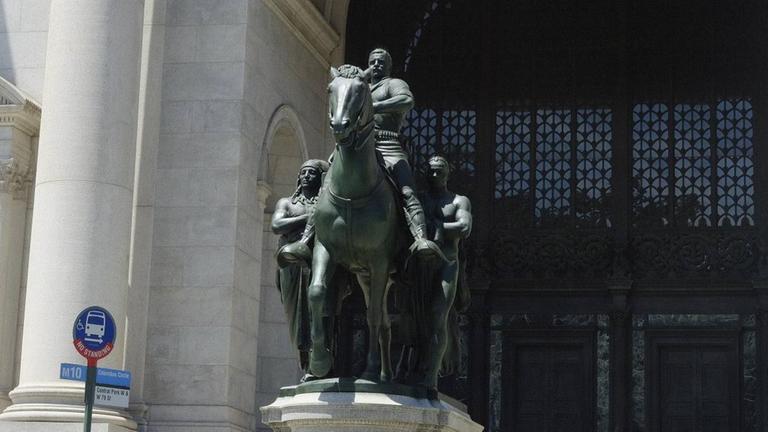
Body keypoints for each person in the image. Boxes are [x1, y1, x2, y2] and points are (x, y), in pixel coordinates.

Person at [280, 48, 439, 264]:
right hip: (354, 144)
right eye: (372, 61)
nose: (376, 65)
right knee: (326, 186)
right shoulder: (357, 85)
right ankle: (305, 241)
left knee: (407, 190)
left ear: (389, 66)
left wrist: (374, 106)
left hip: (387, 144)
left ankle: (420, 240)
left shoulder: (393, 84)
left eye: (381, 62)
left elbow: (406, 100)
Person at [415, 155, 473, 390]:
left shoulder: (459, 201)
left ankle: (431, 377)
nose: (435, 175)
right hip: (419, 266)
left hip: (447, 265)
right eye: (431, 171)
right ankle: (414, 367)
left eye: (440, 170)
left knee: (438, 314)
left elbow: (465, 227)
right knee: (417, 319)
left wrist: (434, 227)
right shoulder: (419, 200)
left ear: (448, 173)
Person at [271, 159, 329, 378]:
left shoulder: (325, 202)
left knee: (316, 313)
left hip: (316, 264)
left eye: (312, 173)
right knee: (295, 317)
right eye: (303, 172)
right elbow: (276, 226)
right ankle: (304, 361)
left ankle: (316, 364)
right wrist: (309, 217)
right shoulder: (287, 203)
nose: (306, 176)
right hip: (290, 265)